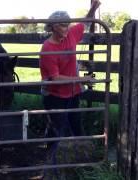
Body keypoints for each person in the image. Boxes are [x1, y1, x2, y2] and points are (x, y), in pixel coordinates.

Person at [39, 0, 101, 170]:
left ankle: (82, 163)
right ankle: (52, 165)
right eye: (62, 25)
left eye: (67, 24)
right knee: (57, 130)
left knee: (76, 125)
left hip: (72, 93)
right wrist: (82, 80)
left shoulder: (71, 34)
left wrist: (93, 8)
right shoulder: (47, 48)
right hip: (54, 96)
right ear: (52, 27)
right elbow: (55, 78)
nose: (66, 27)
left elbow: (84, 23)